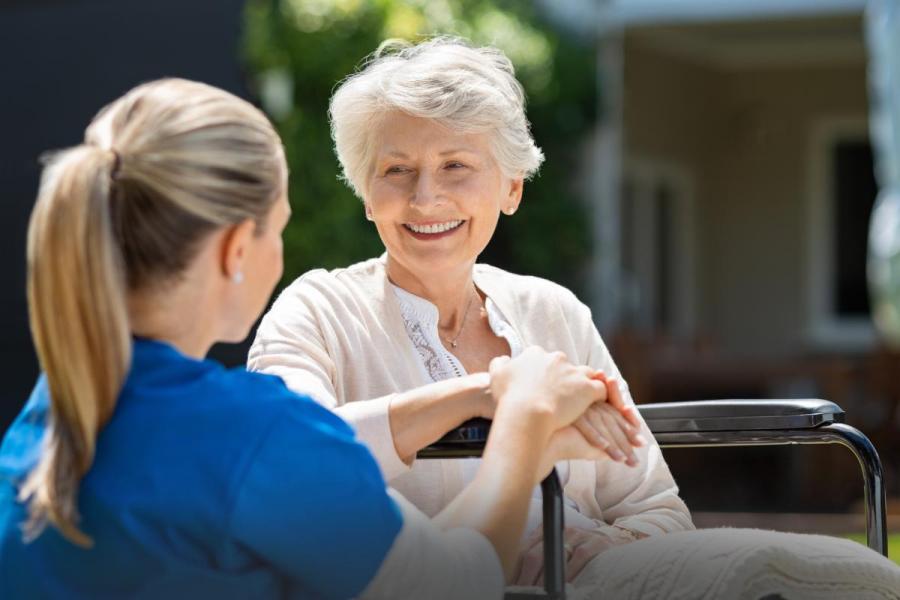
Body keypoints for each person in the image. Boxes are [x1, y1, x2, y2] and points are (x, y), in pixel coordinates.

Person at [0, 78, 633, 599]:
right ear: (233, 250)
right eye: (278, 228)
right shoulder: (252, 436)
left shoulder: (51, 413)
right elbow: (453, 583)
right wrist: (523, 416)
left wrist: (479, 399)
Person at [248, 36, 693, 589]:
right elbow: (292, 463)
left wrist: (591, 558)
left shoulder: (554, 312)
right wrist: (489, 396)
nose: (425, 197)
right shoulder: (316, 311)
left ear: (511, 187)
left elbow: (657, 508)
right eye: (396, 170)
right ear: (366, 194)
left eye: (455, 165)